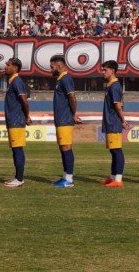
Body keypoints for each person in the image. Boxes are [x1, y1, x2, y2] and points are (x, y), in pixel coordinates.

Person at [50, 56, 81, 188]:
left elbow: (72, 97)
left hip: (65, 119)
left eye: (52, 67)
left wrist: (73, 114)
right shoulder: (60, 79)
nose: (50, 69)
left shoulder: (66, 79)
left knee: (66, 147)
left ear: (59, 65)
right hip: (61, 119)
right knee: (63, 147)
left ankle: (69, 179)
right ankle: (65, 176)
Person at [100, 61, 130, 188]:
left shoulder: (115, 86)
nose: (103, 72)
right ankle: (112, 177)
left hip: (114, 123)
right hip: (110, 122)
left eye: (105, 70)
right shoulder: (110, 85)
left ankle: (118, 179)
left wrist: (123, 121)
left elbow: (118, 106)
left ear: (112, 71)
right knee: (113, 151)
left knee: (117, 150)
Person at [3, 58, 31, 188]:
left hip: (16, 120)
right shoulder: (12, 81)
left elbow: (24, 100)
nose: (5, 67)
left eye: (8, 65)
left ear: (15, 67)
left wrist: (27, 116)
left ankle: (19, 179)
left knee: (18, 148)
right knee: (15, 149)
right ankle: (17, 177)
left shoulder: (17, 81)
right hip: (13, 120)